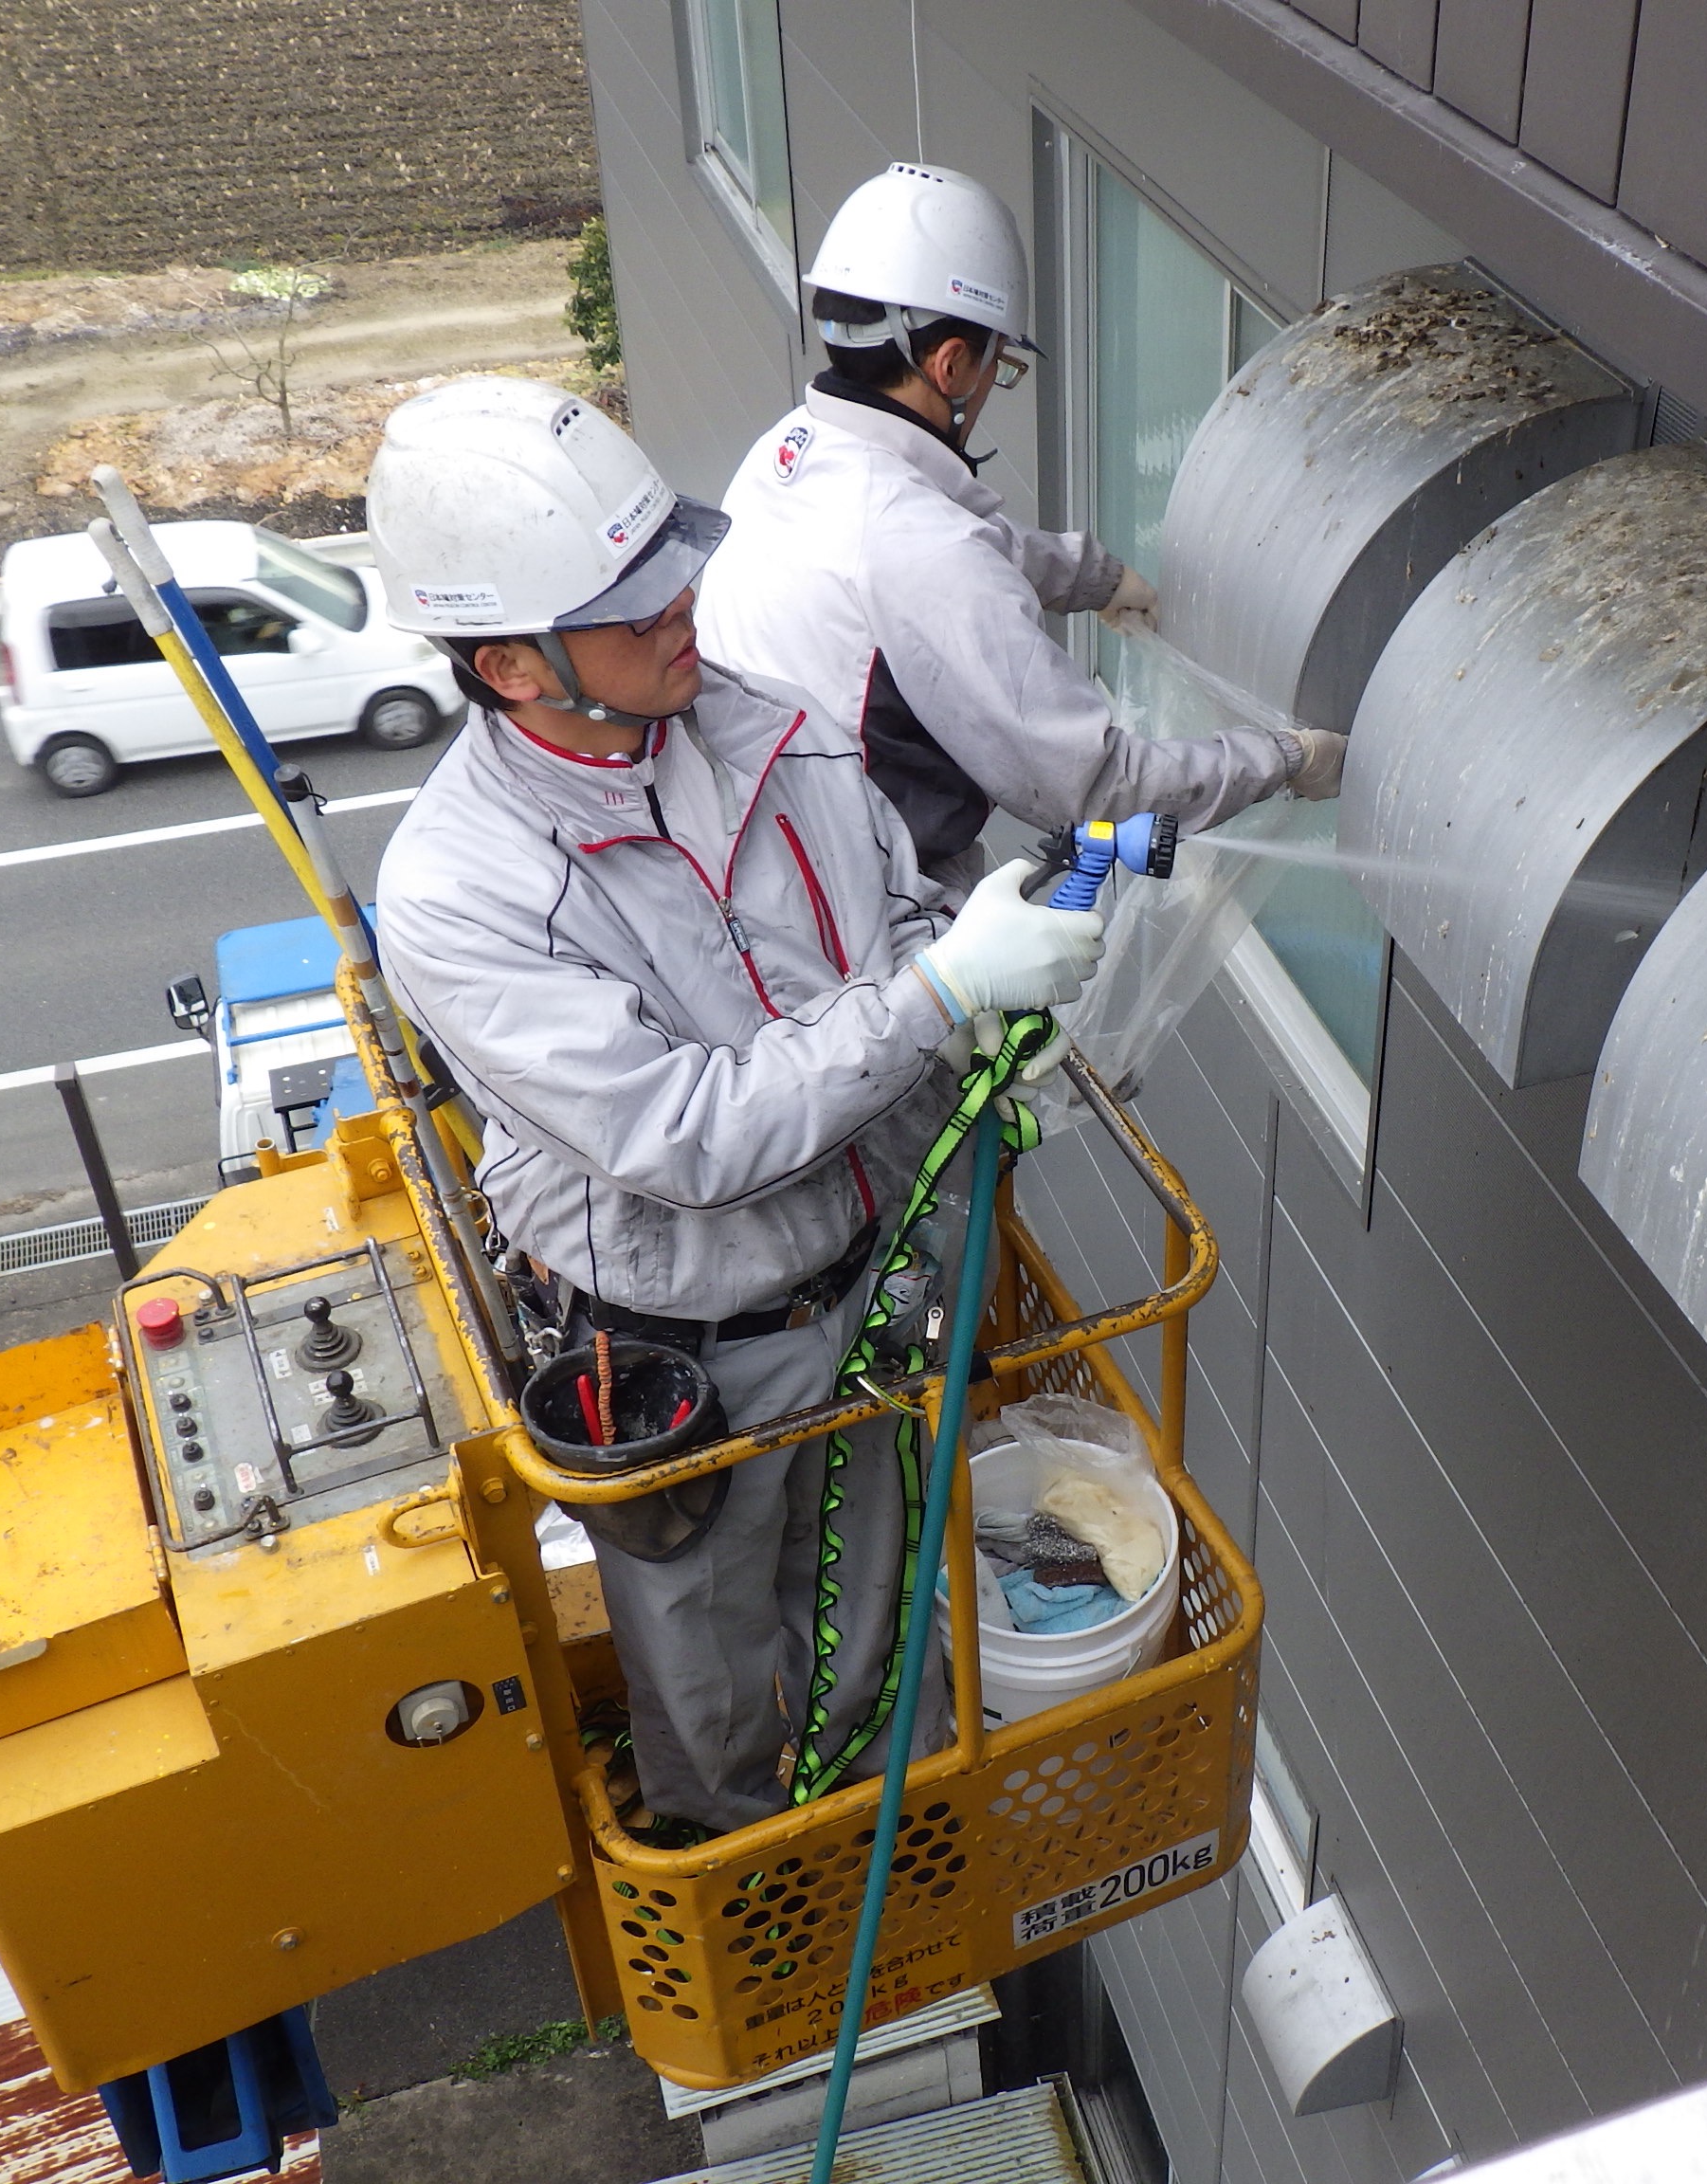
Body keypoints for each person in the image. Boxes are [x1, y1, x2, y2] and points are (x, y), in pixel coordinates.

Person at [363, 375, 1106, 1839]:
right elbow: (687, 1137)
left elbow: (894, 916)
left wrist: (977, 1018)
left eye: (676, 576)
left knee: (881, 1610)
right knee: (711, 1686)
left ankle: (876, 1854)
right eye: (634, 611)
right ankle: (746, 1873)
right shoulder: (464, 891)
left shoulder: (775, 732)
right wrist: (938, 1001)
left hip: (873, 1280)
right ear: (513, 667)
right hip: (681, 1348)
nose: (685, 612)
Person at [697, 161, 1348, 896]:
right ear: (950, 364)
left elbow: (925, 544)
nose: (991, 386)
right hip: (870, 921)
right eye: (998, 364)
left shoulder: (790, 452)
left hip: (767, 863)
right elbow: (1098, 786)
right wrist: (1286, 759)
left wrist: (1090, 578)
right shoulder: (924, 553)